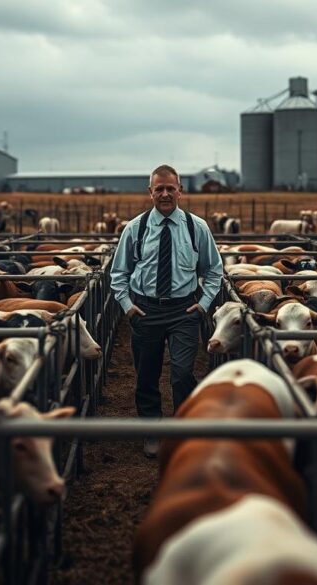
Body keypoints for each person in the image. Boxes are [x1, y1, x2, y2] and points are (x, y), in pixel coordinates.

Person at [109, 164, 224, 458]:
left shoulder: (196, 227)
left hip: (184, 309)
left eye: (170, 188)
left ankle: (184, 430)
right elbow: (119, 272)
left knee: (183, 373)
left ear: (180, 191)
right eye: (158, 189)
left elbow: (213, 270)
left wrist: (204, 303)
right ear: (150, 192)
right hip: (145, 310)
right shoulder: (136, 228)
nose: (164, 194)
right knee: (146, 374)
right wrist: (128, 306)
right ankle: (152, 431)